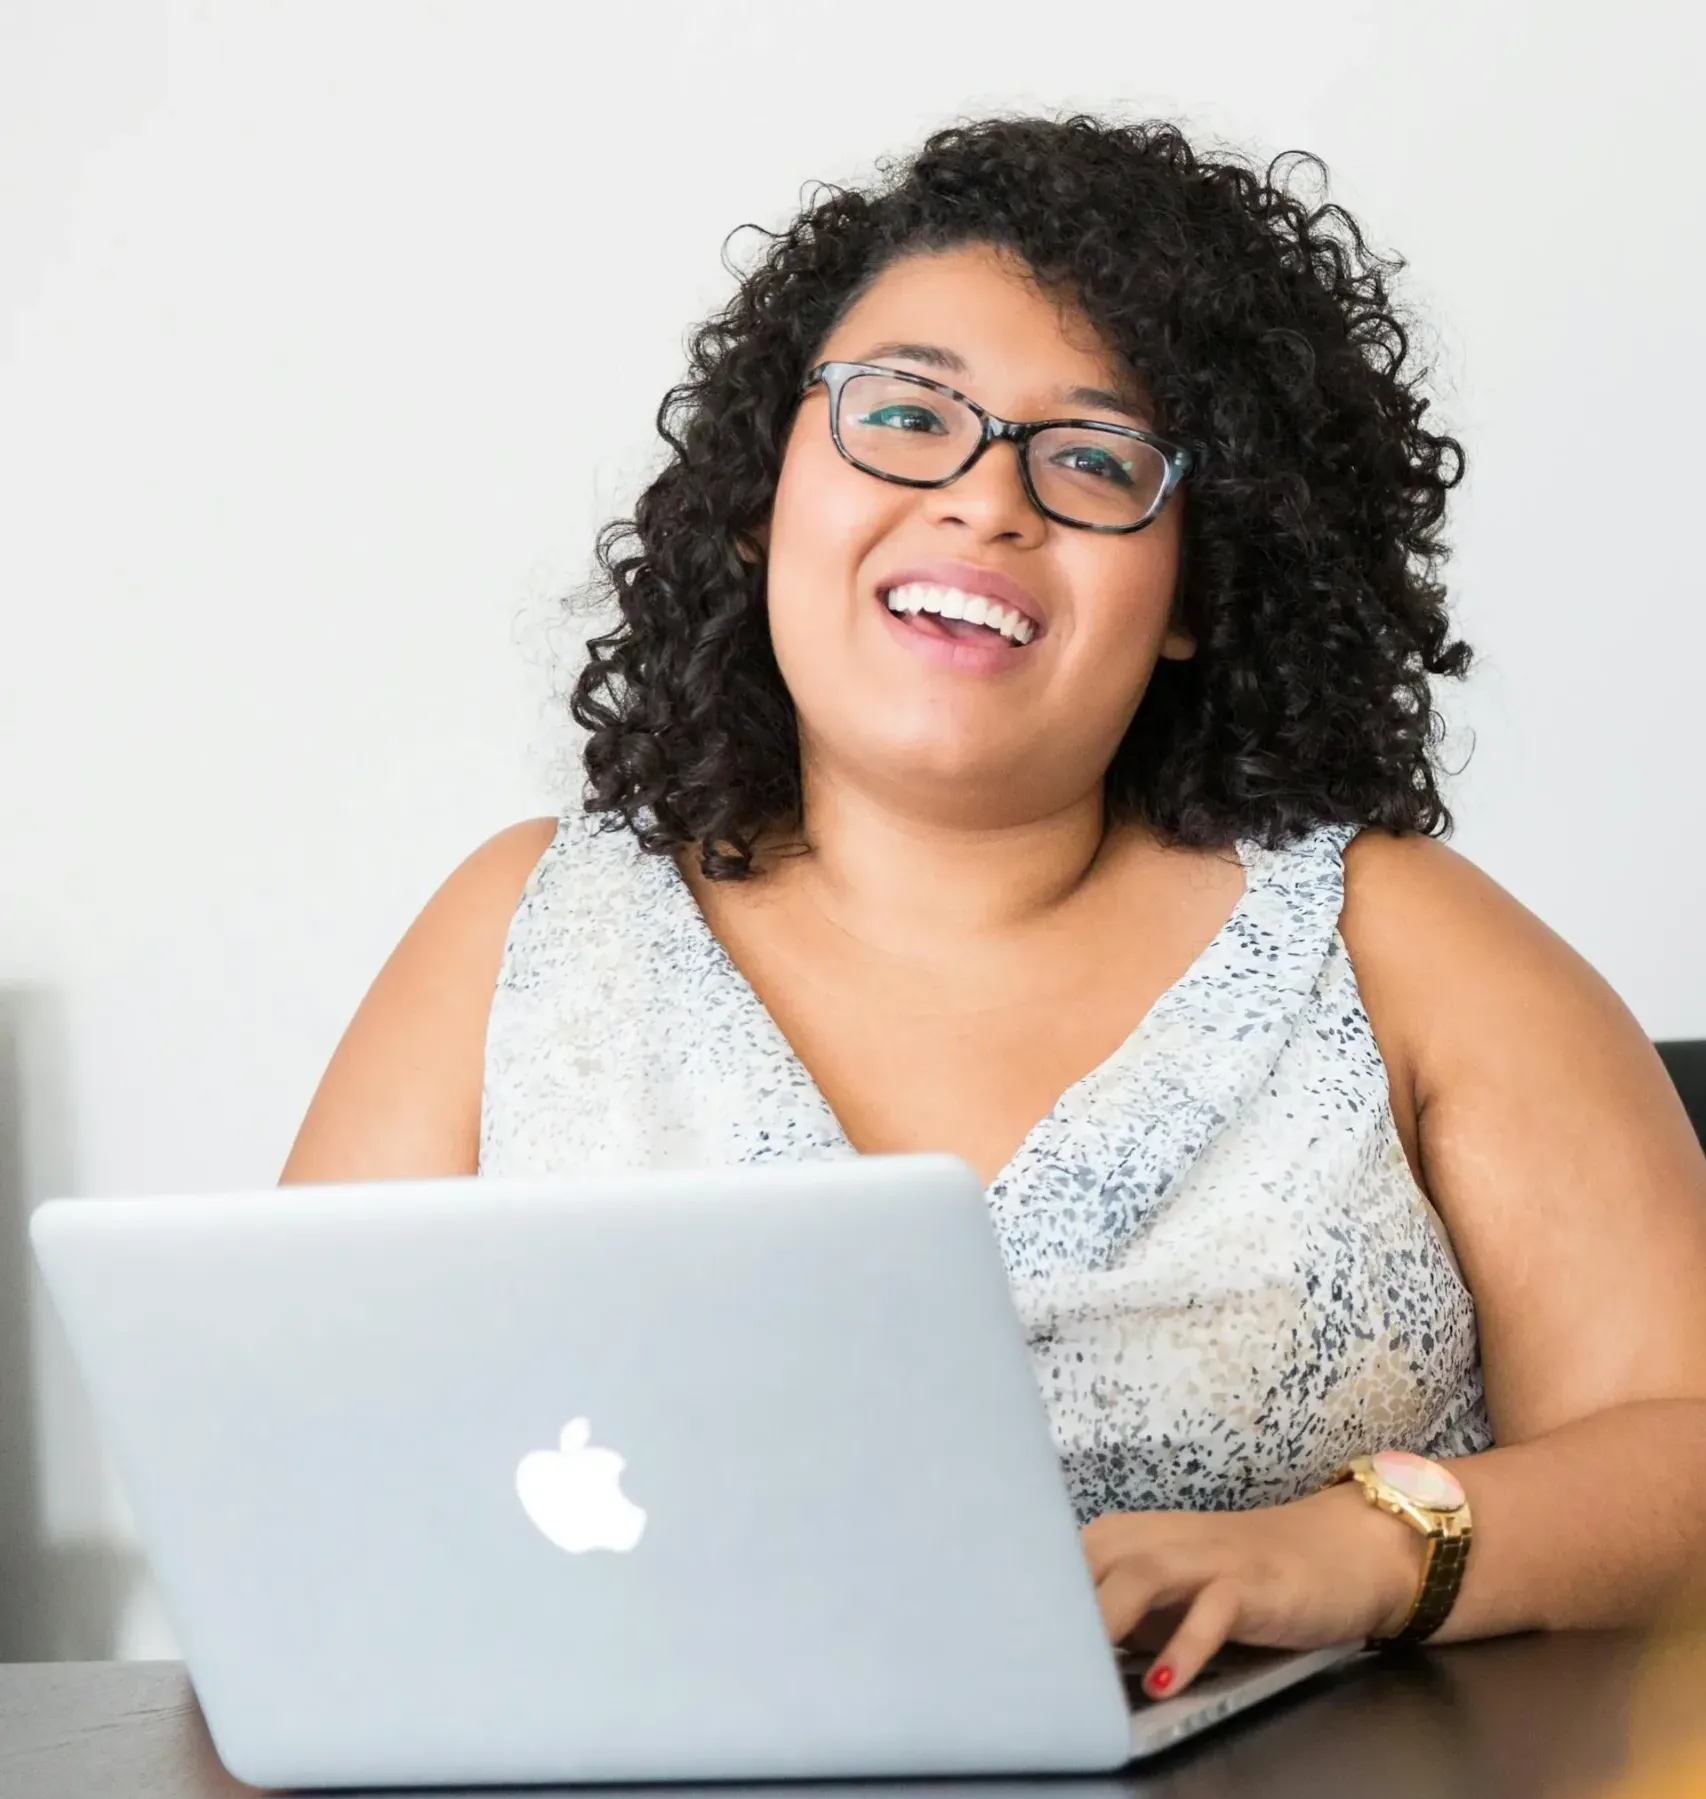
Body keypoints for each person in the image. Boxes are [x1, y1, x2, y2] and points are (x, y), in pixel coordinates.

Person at [281, 114, 1706, 1699]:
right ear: (767, 499)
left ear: (1196, 594)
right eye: (904, 416)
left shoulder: (1401, 941)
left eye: (1090, 457)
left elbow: (1685, 1457)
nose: (984, 502)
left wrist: (1348, 1552)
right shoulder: (520, 933)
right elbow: (281, 1486)